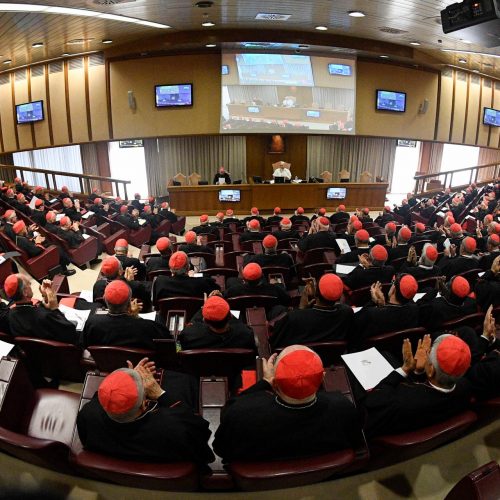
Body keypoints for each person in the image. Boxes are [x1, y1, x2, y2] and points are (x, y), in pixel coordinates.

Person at [213, 346, 361, 462]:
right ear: (323, 377)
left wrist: (265, 382)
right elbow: (355, 441)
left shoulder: (241, 414)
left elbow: (220, 449)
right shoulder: (343, 406)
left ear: (274, 383)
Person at [77, 358, 215, 463]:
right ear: (144, 404)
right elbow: (202, 430)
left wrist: (125, 380)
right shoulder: (175, 426)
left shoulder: (87, 414)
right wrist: (160, 394)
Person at [361, 334, 472, 438]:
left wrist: (405, 369)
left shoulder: (397, 402)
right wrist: (418, 372)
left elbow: (372, 401)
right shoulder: (466, 387)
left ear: (431, 370)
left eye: (428, 354)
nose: (426, 355)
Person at [270, 274, 353, 348]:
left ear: (316, 294)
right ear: (339, 297)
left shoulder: (293, 318)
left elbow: (274, 341)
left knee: (277, 309)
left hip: (302, 356)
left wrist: (301, 308)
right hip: (333, 357)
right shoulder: (347, 312)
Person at [81, 280, 169, 349]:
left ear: (104, 299)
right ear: (130, 301)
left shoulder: (92, 323)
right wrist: (136, 317)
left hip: (105, 365)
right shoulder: (149, 326)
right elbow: (168, 339)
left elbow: (83, 345)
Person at [349, 274, 420, 350]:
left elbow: (353, 325)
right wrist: (382, 305)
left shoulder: (370, 314)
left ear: (393, 289)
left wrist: (373, 302)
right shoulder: (415, 310)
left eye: (393, 282)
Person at [4, 275, 78, 344]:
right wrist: (55, 308)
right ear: (25, 292)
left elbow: (34, 313)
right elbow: (70, 331)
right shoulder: (43, 316)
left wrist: (45, 296)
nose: (30, 284)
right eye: (28, 283)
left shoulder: (11, 314)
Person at [179, 295, 255, 350]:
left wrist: (205, 306)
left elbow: (178, 349)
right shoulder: (247, 334)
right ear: (231, 316)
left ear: (204, 320)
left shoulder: (187, 335)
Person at [152, 251, 219, 304]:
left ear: (171, 270)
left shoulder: (160, 282)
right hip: (195, 315)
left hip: (166, 316)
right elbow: (217, 289)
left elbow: (155, 303)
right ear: (188, 267)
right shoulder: (202, 282)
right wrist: (193, 278)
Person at [224, 263, 290, 307]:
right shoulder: (274, 289)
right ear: (262, 276)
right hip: (268, 313)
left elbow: (223, 298)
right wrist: (279, 284)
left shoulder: (234, 290)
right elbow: (287, 299)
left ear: (244, 279)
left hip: (240, 315)